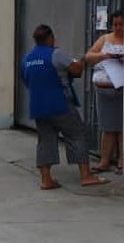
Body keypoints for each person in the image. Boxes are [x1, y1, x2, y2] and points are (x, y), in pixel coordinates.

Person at [20, 24, 110, 190]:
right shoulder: (56, 53)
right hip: (59, 103)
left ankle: (46, 180)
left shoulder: (27, 58)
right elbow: (76, 71)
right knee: (76, 134)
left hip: (38, 105)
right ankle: (86, 176)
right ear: (50, 38)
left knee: (45, 139)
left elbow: (26, 81)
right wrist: (82, 60)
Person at [85, 10, 124, 174]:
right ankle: (104, 161)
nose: (118, 28)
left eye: (121, 24)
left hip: (121, 91)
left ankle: (121, 161)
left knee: (121, 127)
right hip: (104, 92)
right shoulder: (104, 39)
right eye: (115, 24)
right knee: (107, 127)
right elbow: (88, 56)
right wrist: (103, 56)